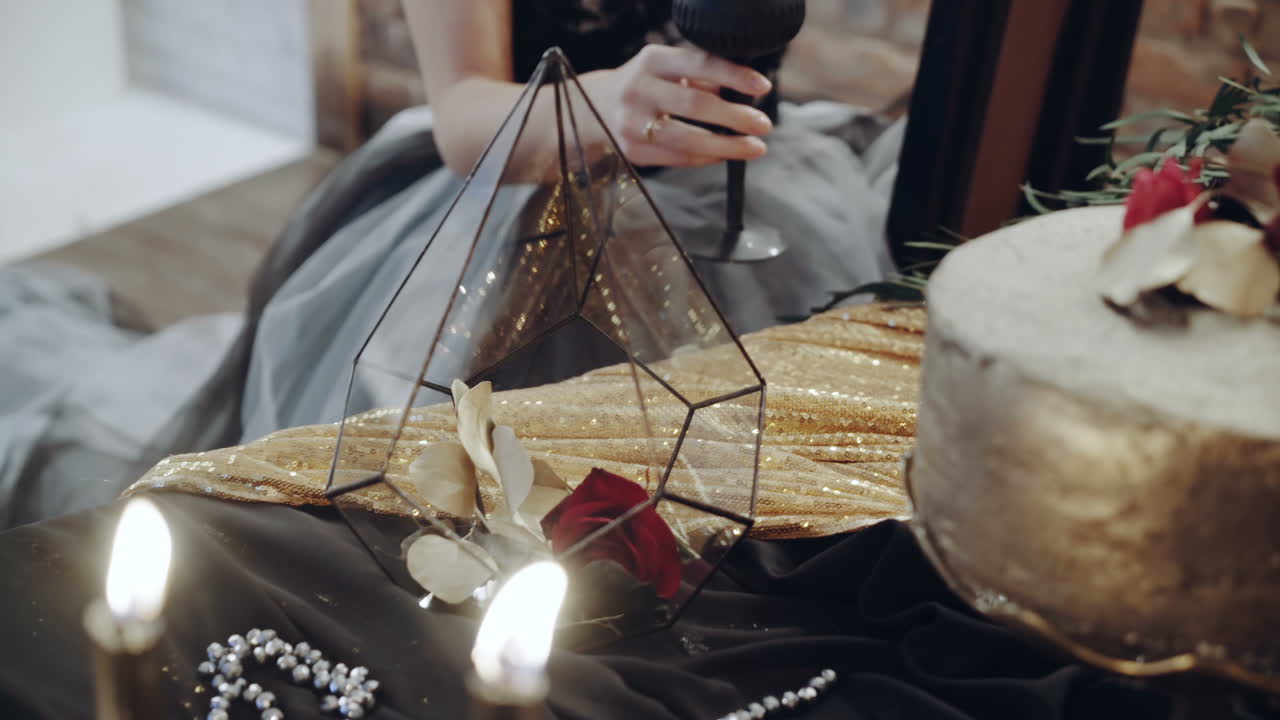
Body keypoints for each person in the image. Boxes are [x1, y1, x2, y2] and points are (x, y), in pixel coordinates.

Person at [0, 0, 901, 527]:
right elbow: (464, 112)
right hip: (529, 200)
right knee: (495, 501)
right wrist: (605, 106)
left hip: (757, 191)